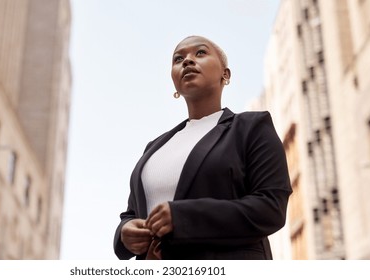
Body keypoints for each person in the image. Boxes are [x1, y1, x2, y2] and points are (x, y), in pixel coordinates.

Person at [113, 35, 292, 260]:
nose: (187, 61)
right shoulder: (155, 147)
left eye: (200, 53)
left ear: (225, 75)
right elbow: (132, 213)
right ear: (174, 82)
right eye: (178, 59)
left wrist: (184, 217)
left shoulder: (250, 127)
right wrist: (124, 232)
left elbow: (271, 208)